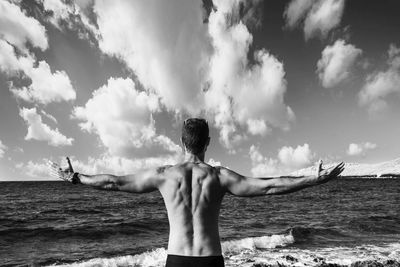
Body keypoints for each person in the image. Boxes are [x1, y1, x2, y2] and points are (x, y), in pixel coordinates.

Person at [49, 118, 345, 267]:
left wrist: (76, 178)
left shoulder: (164, 176)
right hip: (210, 261)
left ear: (182, 142)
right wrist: (312, 180)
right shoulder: (219, 177)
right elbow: (269, 186)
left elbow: (113, 182)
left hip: (176, 260)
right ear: (208, 142)